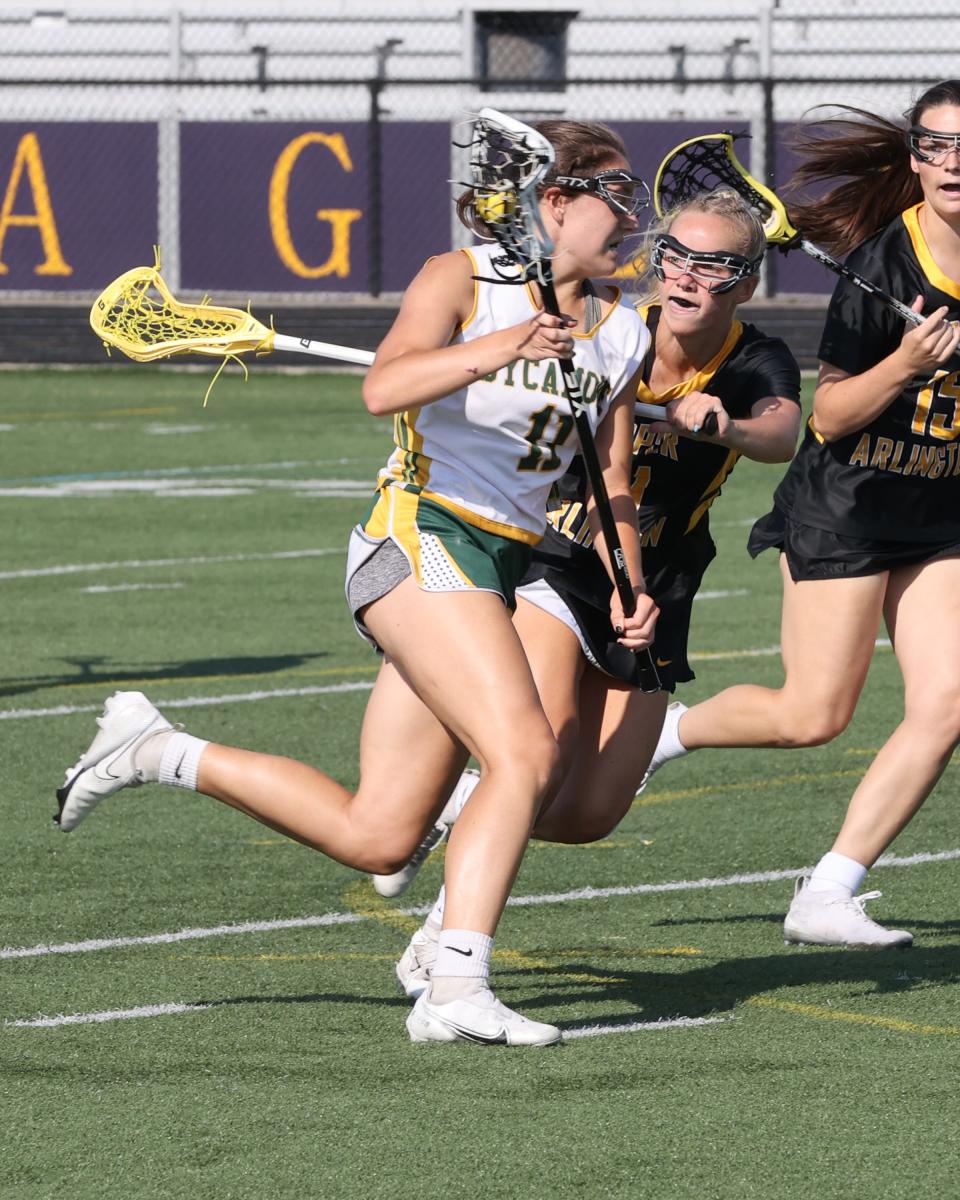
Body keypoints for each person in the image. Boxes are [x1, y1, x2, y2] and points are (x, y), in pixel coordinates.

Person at [54, 118, 658, 1046]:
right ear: (553, 201)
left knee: (378, 834)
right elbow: (384, 389)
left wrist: (630, 579)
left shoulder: (620, 331)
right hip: (419, 535)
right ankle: (457, 986)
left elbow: (611, 478)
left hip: (496, 563)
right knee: (526, 756)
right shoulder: (460, 280)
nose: (631, 218)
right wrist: (492, 349)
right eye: (614, 197)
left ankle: (152, 749)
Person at [374, 189, 802, 999]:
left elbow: (781, 431)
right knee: (543, 748)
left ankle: (462, 804)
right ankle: (449, 941)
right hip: (562, 559)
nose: (685, 276)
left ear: (743, 284)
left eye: (713, 266)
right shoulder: (611, 333)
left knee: (589, 812)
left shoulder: (753, 359)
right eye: (674, 255)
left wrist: (724, 426)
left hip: (657, 581)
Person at [642, 80, 960, 949]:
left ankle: (830, 889)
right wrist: (908, 363)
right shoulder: (880, 266)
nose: (953, 164)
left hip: (943, 514)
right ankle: (667, 736)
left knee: (951, 701)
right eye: (936, 146)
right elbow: (829, 416)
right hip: (846, 510)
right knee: (813, 716)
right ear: (914, 158)